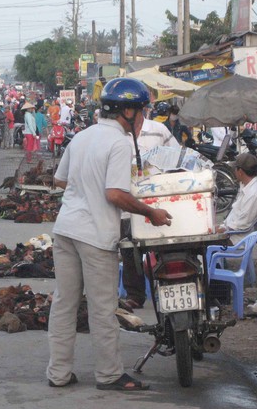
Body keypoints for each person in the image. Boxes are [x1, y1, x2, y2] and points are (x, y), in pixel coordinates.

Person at [47, 77, 172, 392]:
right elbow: (115, 194)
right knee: (102, 307)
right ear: (127, 111)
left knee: (64, 304)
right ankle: (109, 374)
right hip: (94, 235)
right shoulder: (118, 143)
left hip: (65, 230)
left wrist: (85, 186)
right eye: (142, 111)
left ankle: (58, 374)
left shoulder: (82, 137)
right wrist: (151, 213)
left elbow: (60, 180)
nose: (144, 118)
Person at [119, 112, 181, 311]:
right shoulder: (117, 134)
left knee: (165, 247)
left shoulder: (158, 130)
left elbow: (177, 157)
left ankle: (170, 287)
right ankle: (135, 295)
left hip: (159, 202)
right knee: (129, 250)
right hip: (129, 204)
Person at [215, 153, 257, 243]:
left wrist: (221, 230)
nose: (234, 171)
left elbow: (242, 224)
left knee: (199, 245)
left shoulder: (254, 193)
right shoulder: (246, 187)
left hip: (236, 240)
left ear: (240, 172)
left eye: (235, 169)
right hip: (231, 233)